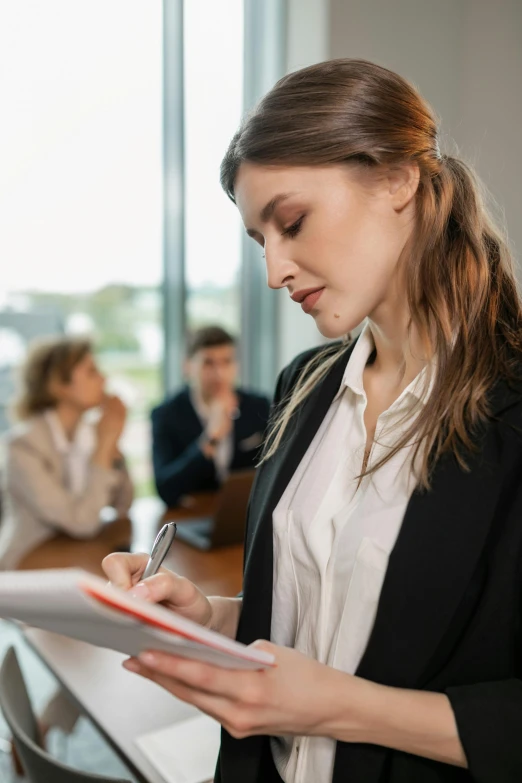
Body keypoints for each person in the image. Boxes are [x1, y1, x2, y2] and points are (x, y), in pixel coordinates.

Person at [103, 58, 522, 783]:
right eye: (259, 240)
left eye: (291, 223)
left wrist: (337, 707)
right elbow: (316, 619)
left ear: (397, 177)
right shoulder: (304, 386)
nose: (274, 271)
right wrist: (206, 616)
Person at [0, 336, 133, 570]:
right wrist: (103, 447)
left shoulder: (93, 433)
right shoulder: (22, 447)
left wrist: (111, 444)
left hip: (76, 553)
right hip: (26, 566)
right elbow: (82, 524)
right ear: (59, 385)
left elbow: (124, 502)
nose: (104, 379)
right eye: (92, 371)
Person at [151, 325, 270, 507]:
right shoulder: (166, 414)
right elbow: (166, 488)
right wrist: (211, 438)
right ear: (188, 366)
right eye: (208, 363)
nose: (219, 374)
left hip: (247, 513)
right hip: (193, 516)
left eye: (226, 361)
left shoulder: (258, 406)